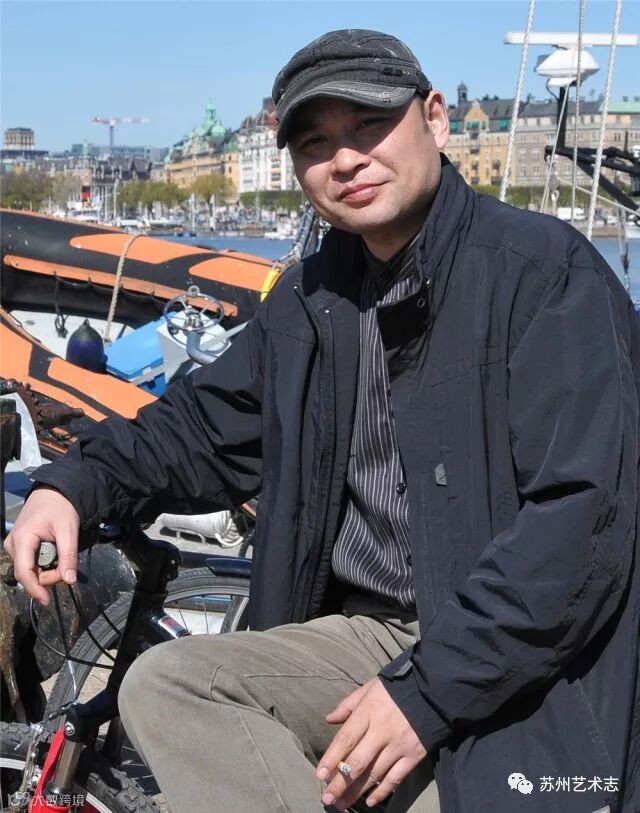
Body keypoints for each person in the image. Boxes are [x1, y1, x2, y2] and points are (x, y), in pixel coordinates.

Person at [5, 28, 640, 813]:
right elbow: (197, 430)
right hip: (374, 640)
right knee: (170, 685)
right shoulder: (310, 302)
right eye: (316, 142)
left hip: (531, 659)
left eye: (369, 124)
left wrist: (424, 694)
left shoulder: (542, 276)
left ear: (436, 119)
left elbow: (582, 526)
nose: (346, 158)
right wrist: (71, 484)